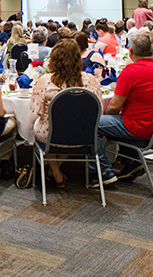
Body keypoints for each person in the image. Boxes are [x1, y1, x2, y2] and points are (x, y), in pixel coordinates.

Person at [89, 33, 153, 183]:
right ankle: (131, 162)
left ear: (131, 52)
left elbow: (114, 106)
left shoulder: (131, 72)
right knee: (114, 119)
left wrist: (105, 117)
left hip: (140, 128)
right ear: (151, 50)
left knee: (92, 123)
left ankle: (102, 171)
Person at [30, 39, 103, 188]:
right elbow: (98, 110)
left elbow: (36, 111)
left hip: (51, 135)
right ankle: (56, 171)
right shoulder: (91, 81)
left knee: (45, 125)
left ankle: (55, 173)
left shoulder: (45, 81)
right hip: (84, 135)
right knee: (71, 124)